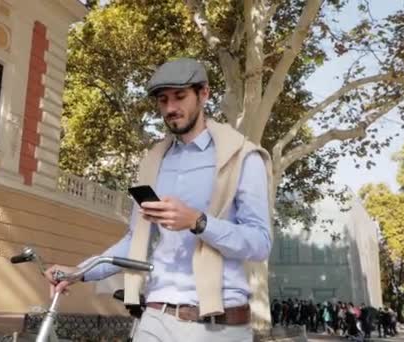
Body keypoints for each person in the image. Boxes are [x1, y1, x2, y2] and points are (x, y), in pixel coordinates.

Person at [43, 57, 273, 341]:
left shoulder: (242, 157)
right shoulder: (154, 162)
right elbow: (134, 241)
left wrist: (198, 222)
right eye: (163, 100)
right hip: (155, 318)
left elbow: (260, 243)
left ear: (204, 94)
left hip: (217, 325)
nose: (171, 108)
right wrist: (81, 271)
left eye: (180, 97)